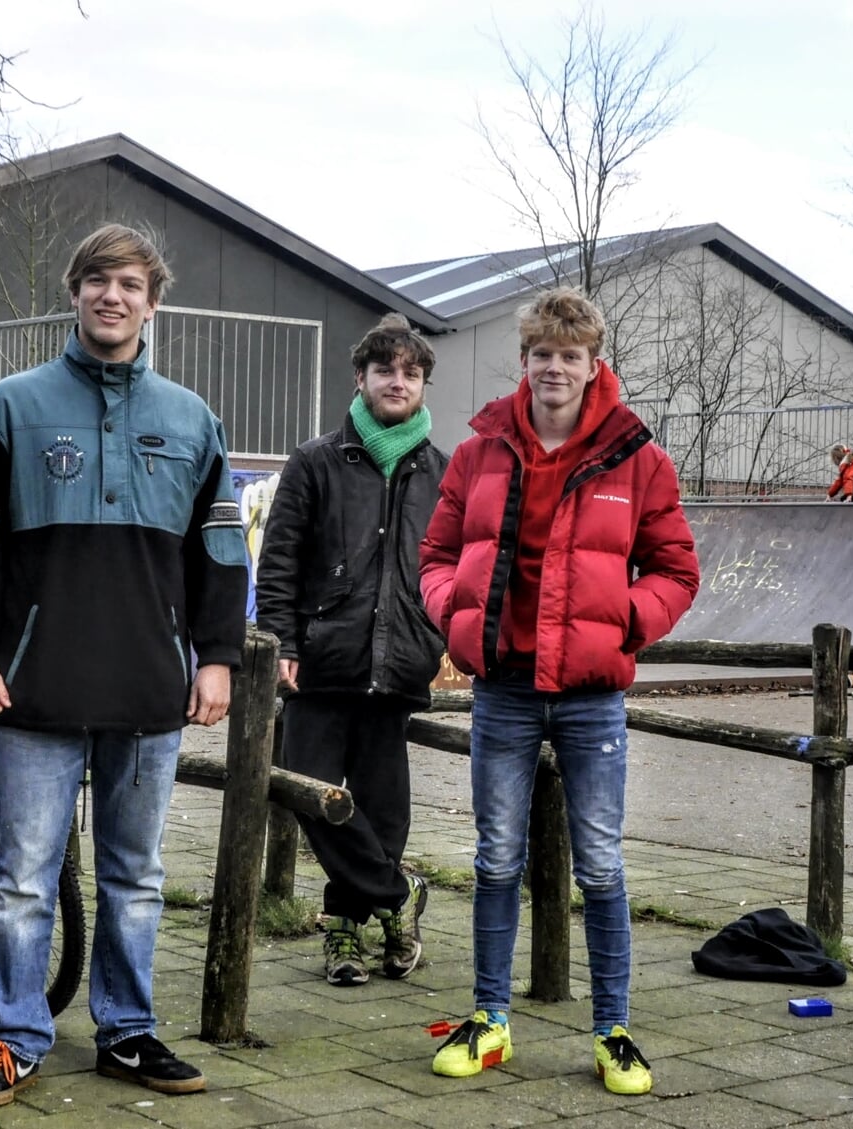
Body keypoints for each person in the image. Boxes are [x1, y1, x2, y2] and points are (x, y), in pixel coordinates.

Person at [0, 224, 248, 1107]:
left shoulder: (192, 419)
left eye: (131, 283)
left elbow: (222, 553)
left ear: (153, 302)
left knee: (135, 879)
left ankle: (128, 1031)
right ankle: (15, 1035)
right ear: (74, 293)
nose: (113, 296)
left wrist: (217, 658)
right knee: (23, 880)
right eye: (97, 281)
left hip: (151, 689)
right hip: (31, 687)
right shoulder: (8, 405)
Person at [419, 288, 699, 1096]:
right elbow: (435, 555)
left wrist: (623, 625)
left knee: (602, 864)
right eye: (541, 355)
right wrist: (457, 620)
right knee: (496, 856)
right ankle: (490, 1019)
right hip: (503, 686)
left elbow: (678, 569)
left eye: (569, 357)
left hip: (589, 696)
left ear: (592, 364)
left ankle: (614, 1027)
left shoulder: (636, 455)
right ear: (526, 361)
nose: (553, 368)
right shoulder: (479, 452)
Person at [253, 313, 448, 987]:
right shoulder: (316, 461)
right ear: (360, 377)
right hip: (321, 660)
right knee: (313, 794)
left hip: (399, 664)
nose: (398, 381)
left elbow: (455, 565)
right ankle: (398, 900)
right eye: (385, 369)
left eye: (411, 372)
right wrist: (279, 637)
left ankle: (344, 935)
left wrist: (442, 630)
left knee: (383, 808)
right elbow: (278, 559)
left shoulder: (443, 472)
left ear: (423, 384)